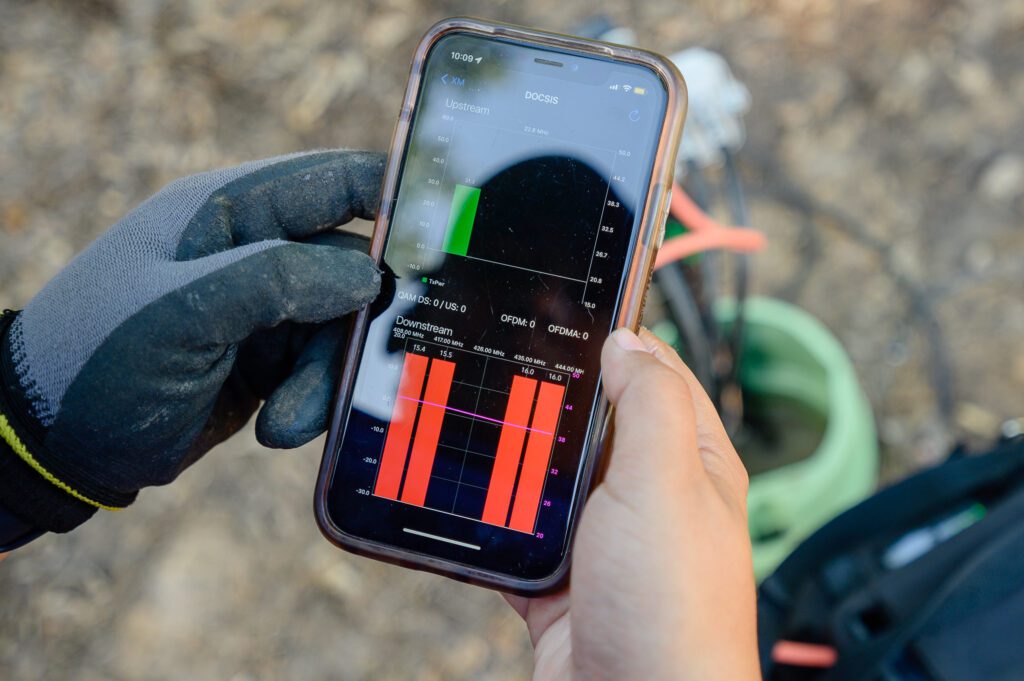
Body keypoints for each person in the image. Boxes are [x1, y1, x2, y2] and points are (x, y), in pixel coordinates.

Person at [0, 151, 759, 680]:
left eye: (567, 292)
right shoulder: (394, 428)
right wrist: (23, 457)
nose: (538, 310)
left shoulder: (578, 501)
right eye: (510, 276)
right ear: (444, 284)